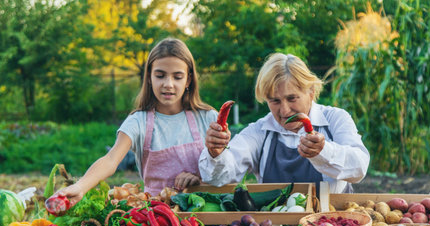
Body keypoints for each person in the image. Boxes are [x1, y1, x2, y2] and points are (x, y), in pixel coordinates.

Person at [56, 37, 217, 205]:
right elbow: (111, 159)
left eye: (177, 77)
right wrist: (80, 186)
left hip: (205, 213)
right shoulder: (139, 121)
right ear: (149, 77)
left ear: (188, 80)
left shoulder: (208, 118)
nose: (168, 84)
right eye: (160, 75)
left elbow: (226, 168)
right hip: (155, 214)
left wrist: (199, 178)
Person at [199, 53, 370, 194]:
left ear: (310, 92)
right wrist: (216, 153)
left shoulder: (335, 119)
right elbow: (219, 177)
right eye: (275, 101)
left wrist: (323, 150)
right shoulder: (259, 131)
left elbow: (359, 167)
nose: (285, 110)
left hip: (333, 224)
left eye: (292, 98)